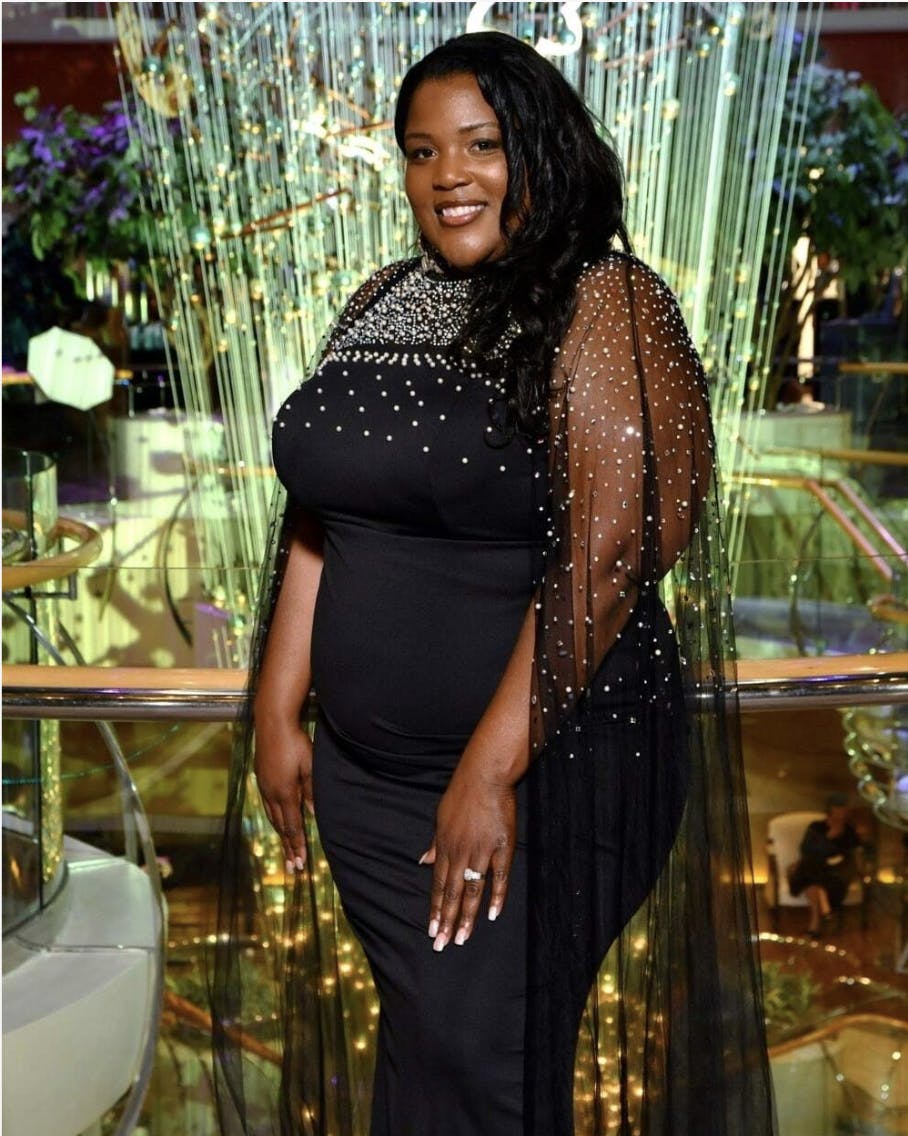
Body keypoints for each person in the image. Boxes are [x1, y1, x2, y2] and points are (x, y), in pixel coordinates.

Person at [213, 31, 774, 1136]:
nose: (447, 175)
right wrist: (278, 708)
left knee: (483, 1059)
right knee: (434, 1050)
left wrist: (486, 771)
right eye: (421, 152)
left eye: (481, 144)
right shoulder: (380, 301)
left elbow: (612, 557)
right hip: (369, 782)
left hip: (546, 770)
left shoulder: (605, 300)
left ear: (542, 151)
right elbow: (324, 514)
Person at [797, 793, 870, 937]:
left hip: (840, 869)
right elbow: (805, 849)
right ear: (830, 809)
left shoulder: (850, 829)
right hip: (818, 866)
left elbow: (860, 849)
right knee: (812, 873)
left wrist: (862, 837)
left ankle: (817, 921)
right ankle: (819, 917)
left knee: (811, 878)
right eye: (838, 807)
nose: (842, 811)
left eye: (844, 808)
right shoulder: (816, 827)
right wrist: (828, 837)